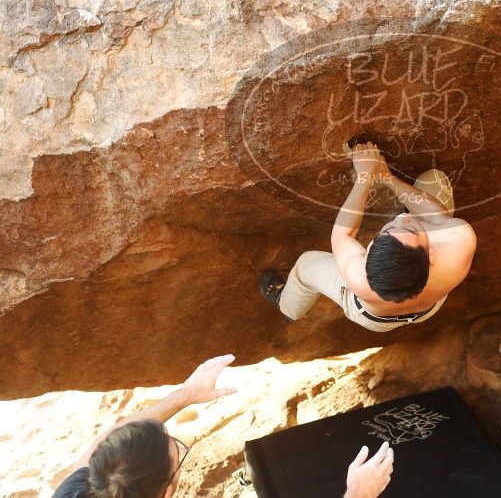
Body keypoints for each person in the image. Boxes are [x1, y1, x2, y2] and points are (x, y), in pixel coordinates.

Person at [52, 355, 394, 498]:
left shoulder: (79, 488)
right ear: (168, 491)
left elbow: (107, 443)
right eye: (178, 453)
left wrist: (184, 396)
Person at [261, 141, 477, 332]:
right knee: (434, 185)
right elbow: (439, 216)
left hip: (374, 318)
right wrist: (386, 178)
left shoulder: (358, 279)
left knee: (307, 264)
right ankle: (413, 224)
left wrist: (364, 178)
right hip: (427, 307)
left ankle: (287, 305)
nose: (402, 216)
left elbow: (343, 234)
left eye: (402, 229)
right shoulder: (459, 244)